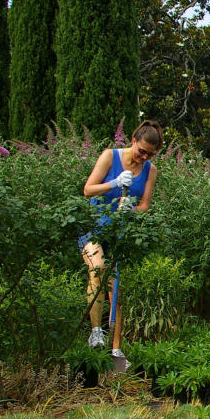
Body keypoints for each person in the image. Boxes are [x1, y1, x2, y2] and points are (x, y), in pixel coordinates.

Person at [80, 120, 163, 359]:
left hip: (120, 232)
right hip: (96, 227)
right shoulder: (110, 156)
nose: (143, 157)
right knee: (97, 269)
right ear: (133, 141)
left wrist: (130, 209)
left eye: (150, 154)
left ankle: (116, 351)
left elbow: (144, 206)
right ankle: (96, 333)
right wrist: (114, 184)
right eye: (141, 151)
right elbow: (88, 189)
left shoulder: (150, 170)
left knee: (115, 288)